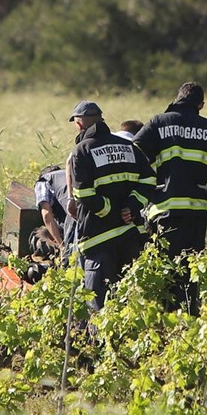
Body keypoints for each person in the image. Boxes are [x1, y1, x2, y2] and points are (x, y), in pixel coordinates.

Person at [133, 82, 207, 315]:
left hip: (164, 211)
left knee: (166, 274)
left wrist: (151, 180)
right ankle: (189, 321)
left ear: (177, 99)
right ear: (201, 105)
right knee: (190, 274)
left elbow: (134, 151)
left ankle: (168, 327)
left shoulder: (158, 122)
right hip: (197, 213)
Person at [68, 100, 156, 311]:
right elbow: (149, 180)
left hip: (99, 239)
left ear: (80, 124)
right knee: (131, 301)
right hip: (131, 235)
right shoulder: (129, 147)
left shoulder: (82, 150)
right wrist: (131, 207)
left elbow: (83, 193)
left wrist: (110, 212)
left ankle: (100, 343)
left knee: (98, 304)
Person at [34, 163, 74, 255]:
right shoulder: (70, 174)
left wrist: (61, 245)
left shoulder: (44, 181)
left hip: (73, 217)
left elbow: (47, 214)